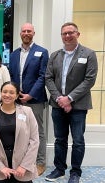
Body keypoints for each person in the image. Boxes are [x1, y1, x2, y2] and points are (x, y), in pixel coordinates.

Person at [45, 22, 98, 183]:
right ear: (61, 36)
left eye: (71, 33)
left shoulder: (89, 54)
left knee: (78, 140)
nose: (67, 36)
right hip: (57, 104)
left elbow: (90, 80)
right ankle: (60, 169)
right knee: (59, 139)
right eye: (64, 33)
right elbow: (48, 78)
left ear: (77, 34)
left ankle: (76, 172)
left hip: (79, 105)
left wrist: (69, 98)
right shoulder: (54, 55)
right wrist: (60, 99)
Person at [8, 22, 49, 176]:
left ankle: (40, 161)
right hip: (17, 99)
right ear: (20, 33)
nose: (26, 33)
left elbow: (43, 76)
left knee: (37, 131)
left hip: (35, 99)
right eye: (23, 31)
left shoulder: (42, 52)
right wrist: (16, 94)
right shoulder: (13, 54)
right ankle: (22, 160)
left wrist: (30, 95)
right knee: (20, 131)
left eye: (29, 31)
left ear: (33, 33)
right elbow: (12, 76)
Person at [0, 81, 39, 183]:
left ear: (17, 95)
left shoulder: (27, 112)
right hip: (0, 168)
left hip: (22, 168)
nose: (7, 95)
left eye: (11, 92)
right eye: (4, 92)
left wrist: (24, 166)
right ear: (0, 93)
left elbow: (34, 140)